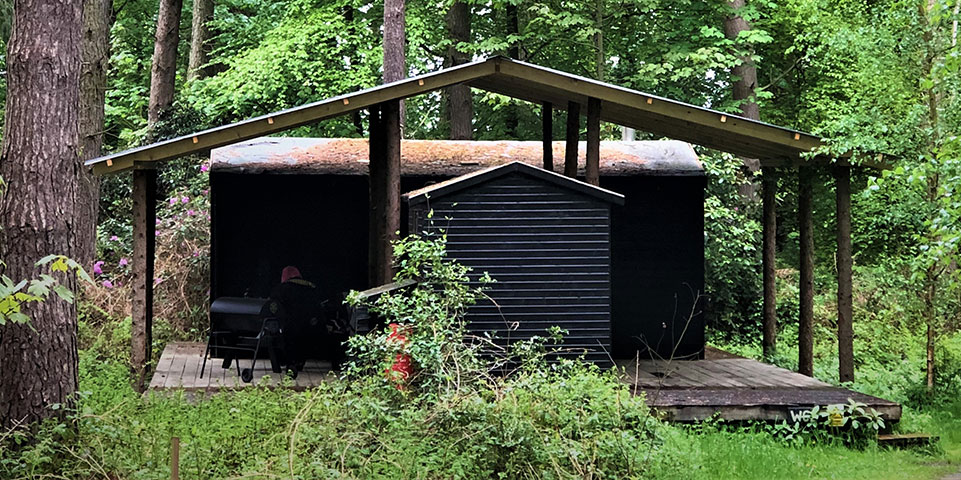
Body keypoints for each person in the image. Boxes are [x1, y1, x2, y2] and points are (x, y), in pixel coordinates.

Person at [268, 266, 326, 371]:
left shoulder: (281, 289)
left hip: (288, 325)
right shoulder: (311, 287)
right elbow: (318, 308)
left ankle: (290, 363)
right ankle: (300, 362)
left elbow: (273, 306)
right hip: (309, 325)